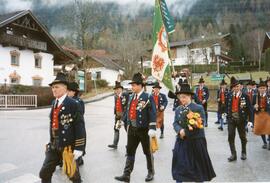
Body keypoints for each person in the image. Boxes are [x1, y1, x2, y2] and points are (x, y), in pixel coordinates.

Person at [39, 73, 86, 183]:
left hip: (67, 147)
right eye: (52, 87)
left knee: (73, 176)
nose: (54, 89)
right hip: (54, 145)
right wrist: (50, 139)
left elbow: (80, 127)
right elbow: (53, 123)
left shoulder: (73, 104)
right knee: (44, 172)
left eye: (57, 87)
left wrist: (79, 148)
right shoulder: (54, 102)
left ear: (65, 88)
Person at [115, 73, 157, 182]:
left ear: (140, 85)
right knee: (130, 151)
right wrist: (122, 121)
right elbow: (127, 111)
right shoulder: (131, 96)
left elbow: (153, 113)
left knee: (147, 152)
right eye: (132, 85)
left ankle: (150, 171)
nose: (132, 87)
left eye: (134, 85)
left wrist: (152, 127)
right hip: (132, 129)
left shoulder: (148, 97)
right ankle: (126, 174)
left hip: (144, 130)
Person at [172, 83, 216, 183]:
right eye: (180, 97)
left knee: (197, 167)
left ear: (190, 96)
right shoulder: (178, 109)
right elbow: (175, 123)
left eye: (184, 97)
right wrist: (180, 130)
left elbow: (201, 123)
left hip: (196, 141)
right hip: (181, 141)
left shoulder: (198, 108)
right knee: (180, 165)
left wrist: (186, 132)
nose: (182, 99)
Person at [227, 77, 251, 162]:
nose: (236, 88)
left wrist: (250, 121)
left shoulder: (245, 96)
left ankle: (243, 152)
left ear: (240, 86)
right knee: (230, 136)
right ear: (232, 88)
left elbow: (250, 109)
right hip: (231, 119)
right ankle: (233, 154)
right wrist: (224, 113)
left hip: (241, 120)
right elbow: (226, 106)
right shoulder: (229, 95)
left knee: (242, 137)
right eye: (234, 87)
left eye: (237, 86)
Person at [67, 81, 86, 166]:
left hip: (77, 126)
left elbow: (80, 114)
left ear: (73, 92)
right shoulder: (68, 100)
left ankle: (79, 158)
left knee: (77, 142)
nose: (67, 92)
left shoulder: (78, 101)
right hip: (70, 127)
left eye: (69, 91)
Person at [108, 81, 129, 149]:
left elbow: (127, 107)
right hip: (118, 115)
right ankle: (115, 144)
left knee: (128, 130)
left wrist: (124, 118)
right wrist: (116, 113)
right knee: (116, 129)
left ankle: (129, 145)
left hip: (125, 116)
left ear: (121, 89)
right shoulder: (115, 96)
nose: (117, 91)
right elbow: (116, 105)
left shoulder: (125, 95)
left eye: (118, 89)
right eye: (115, 90)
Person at [254, 79, 270, 150]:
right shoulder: (256, 96)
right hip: (259, 114)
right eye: (261, 88)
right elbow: (251, 105)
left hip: (268, 114)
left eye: (263, 88)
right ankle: (264, 143)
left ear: (266, 88)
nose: (262, 89)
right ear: (258, 89)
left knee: (269, 130)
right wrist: (254, 106)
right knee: (261, 130)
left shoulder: (269, 96)